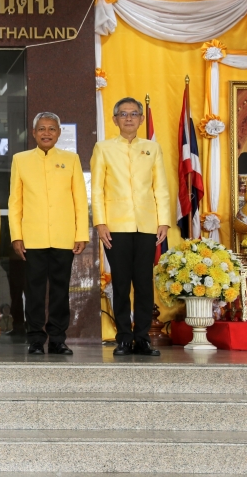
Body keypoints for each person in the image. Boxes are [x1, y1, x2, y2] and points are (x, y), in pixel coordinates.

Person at [92, 97, 171, 357]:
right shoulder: (103, 148)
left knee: (144, 284)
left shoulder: (152, 147)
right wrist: (101, 222)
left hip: (147, 224)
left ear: (140, 119)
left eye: (134, 114)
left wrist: (163, 221)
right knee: (121, 283)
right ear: (114, 119)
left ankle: (143, 338)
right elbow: (98, 189)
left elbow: (160, 187)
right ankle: (124, 337)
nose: (129, 118)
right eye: (123, 114)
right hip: (116, 225)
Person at [8, 112, 89, 355]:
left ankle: (57, 338)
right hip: (32, 237)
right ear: (33, 133)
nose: (46, 133)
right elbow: (15, 202)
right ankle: (34, 339)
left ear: (59, 133)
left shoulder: (71, 159)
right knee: (33, 291)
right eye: (41, 129)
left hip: (64, 236)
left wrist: (81, 233)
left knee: (60, 290)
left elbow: (80, 200)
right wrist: (16, 236)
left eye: (51, 129)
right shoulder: (20, 160)